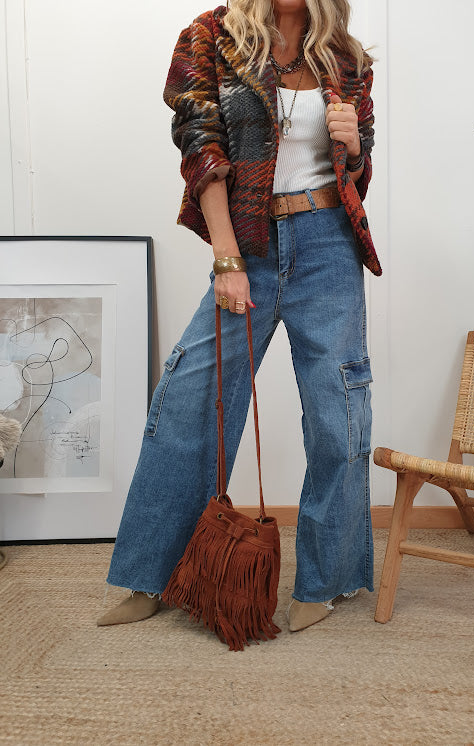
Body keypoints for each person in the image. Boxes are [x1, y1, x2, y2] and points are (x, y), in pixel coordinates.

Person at [97, 0, 381, 633]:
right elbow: (201, 149)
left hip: (329, 244)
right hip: (248, 242)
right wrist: (226, 257)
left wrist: (355, 147)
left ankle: (327, 578)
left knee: (337, 410)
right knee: (190, 399)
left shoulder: (346, 57)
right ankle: (156, 573)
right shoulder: (211, 36)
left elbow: (357, 174)